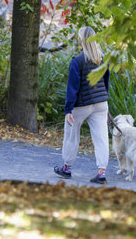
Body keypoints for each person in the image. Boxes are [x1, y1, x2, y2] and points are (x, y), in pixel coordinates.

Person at [54, 26, 110, 184]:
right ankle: (101, 173)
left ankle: (67, 168)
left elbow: (72, 88)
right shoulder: (102, 58)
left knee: (71, 135)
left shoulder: (77, 61)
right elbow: (106, 83)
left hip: (82, 105)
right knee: (101, 138)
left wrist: (68, 109)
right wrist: (105, 103)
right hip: (101, 103)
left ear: (81, 40)